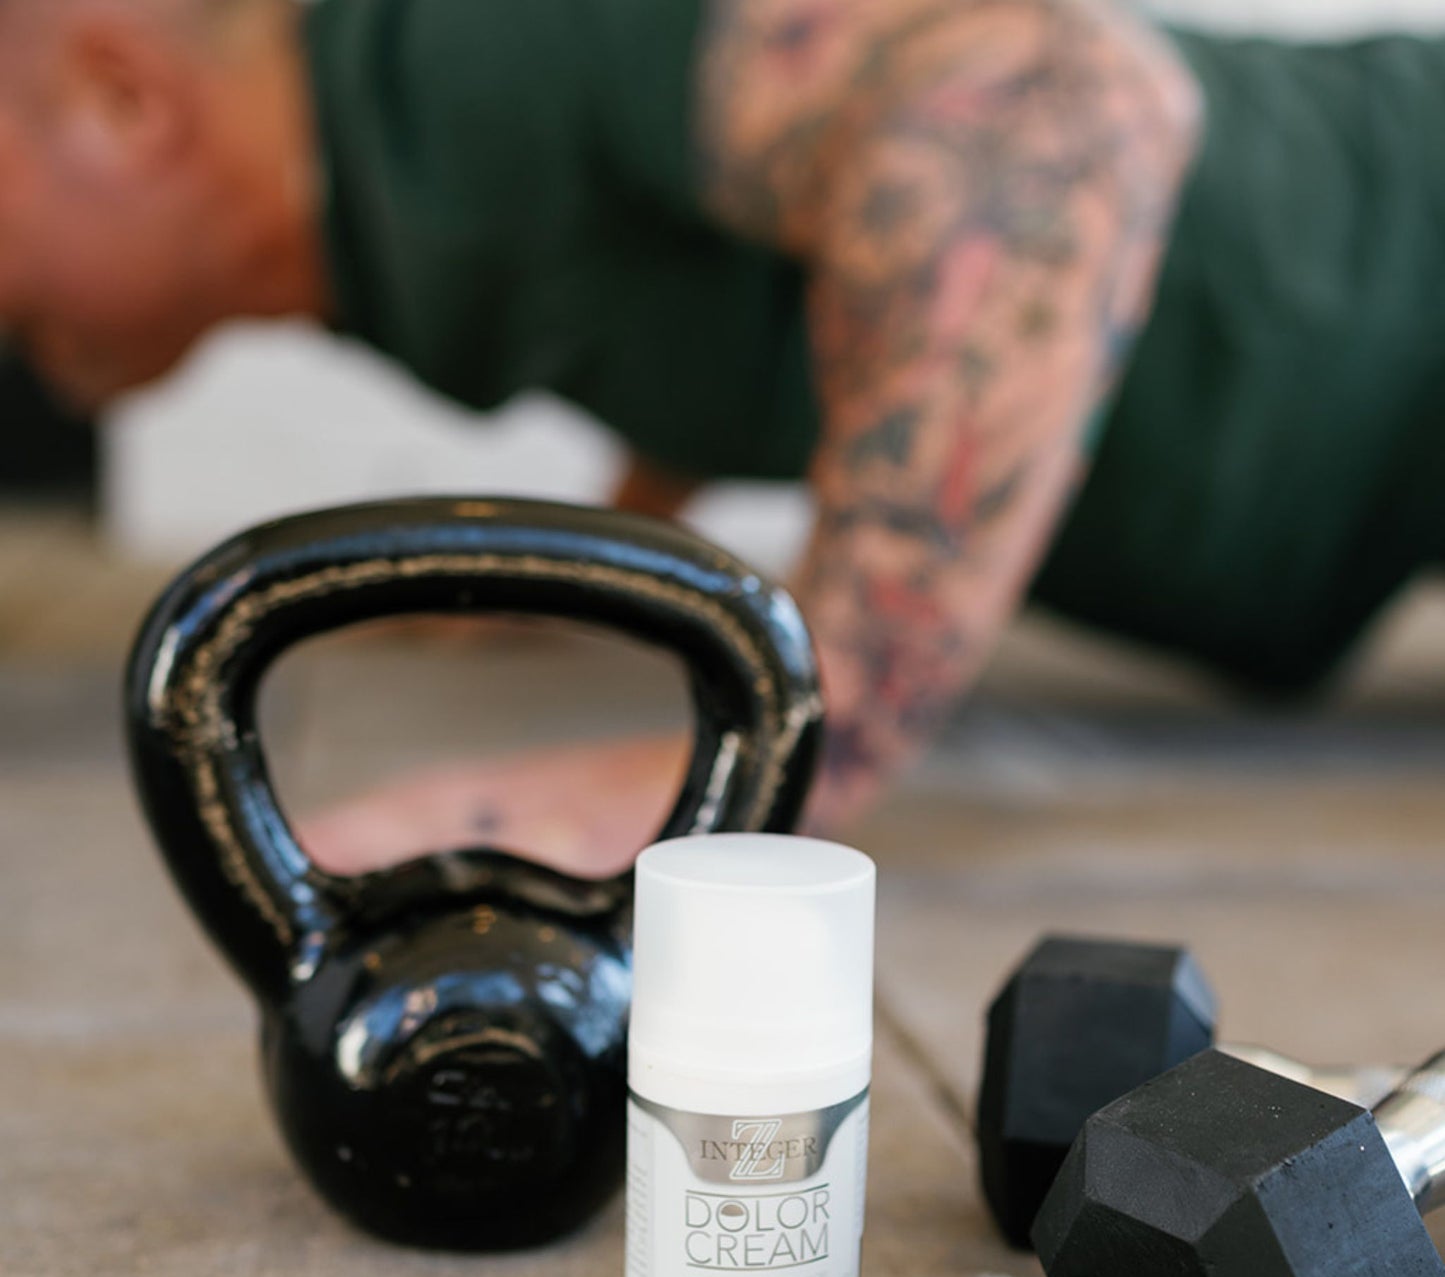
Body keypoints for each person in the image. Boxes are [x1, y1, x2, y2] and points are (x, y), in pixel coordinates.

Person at [1, 0, 1441, 873]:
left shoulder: (466, 47)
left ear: (119, 104)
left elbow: (1059, 106)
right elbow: (707, 250)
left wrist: (782, 744)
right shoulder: (386, 147)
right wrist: (635, 554)